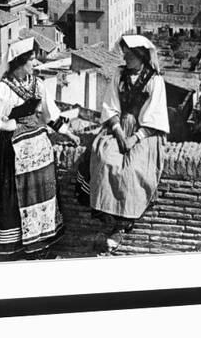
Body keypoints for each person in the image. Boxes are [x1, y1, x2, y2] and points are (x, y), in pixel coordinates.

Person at [0, 37, 80, 258]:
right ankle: (18, 248)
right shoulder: (2, 89)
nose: (35, 64)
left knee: (42, 197)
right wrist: (2, 124)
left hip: (39, 151)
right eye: (31, 60)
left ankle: (40, 246)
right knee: (16, 199)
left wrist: (67, 133)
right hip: (13, 152)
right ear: (20, 62)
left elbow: (50, 114)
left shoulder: (38, 84)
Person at [76, 34, 169, 252]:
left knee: (132, 170)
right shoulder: (119, 74)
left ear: (141, 56)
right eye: (124, 53)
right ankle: (108, 220)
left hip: (144, 133)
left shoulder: (155, 81)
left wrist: (134, 138)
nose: (125, 57)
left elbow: (154, 116)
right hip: (118, 127)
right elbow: (110, 105)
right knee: (104, 159)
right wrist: (118, 133)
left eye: (130, 55)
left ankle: (122, 225)